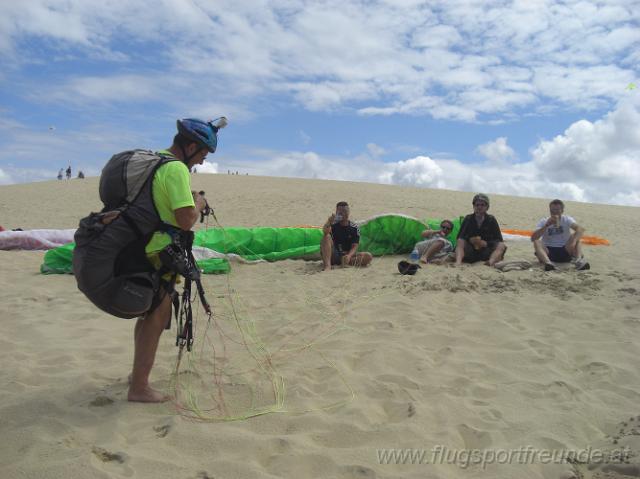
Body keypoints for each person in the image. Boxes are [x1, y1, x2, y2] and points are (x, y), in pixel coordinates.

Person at [129, 118, 222, 402]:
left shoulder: (156, 162)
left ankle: (137, 377)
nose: (201, 163)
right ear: (191, 146)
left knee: (148, 313)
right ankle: (140, 387)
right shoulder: (176, 170)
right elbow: (185, 220)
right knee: (157, 314)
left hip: (140, 247)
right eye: (202, 155)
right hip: (159, 253)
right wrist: (200, 204)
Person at [531, 199, 590, 271]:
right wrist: (546, 225)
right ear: (550, 210)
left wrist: (573, 242)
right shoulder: (544, 221)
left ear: (562, 211)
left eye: (557, 210)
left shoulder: (566, 219)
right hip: (548, 252)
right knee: (537, 242)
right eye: (552, 210)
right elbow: (533, 238)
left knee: (576, 237)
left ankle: (578, 261)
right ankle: (549, 264)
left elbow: (580, 229)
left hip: (565, 249)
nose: (555, 212)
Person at [455, 193, 506, 267]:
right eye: (477, 205)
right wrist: (471, 240)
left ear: (487, 207)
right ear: (474, 206)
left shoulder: (491, 220)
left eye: (482, 205)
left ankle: (490, 262)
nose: (479, 207)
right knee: (460, 241)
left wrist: (486, 243)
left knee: (501, 245)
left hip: (486, 251)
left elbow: (499, 239)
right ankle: (458, 262)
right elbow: (460, 237)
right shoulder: (468, 219)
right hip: (470, 251)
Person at [321, 201, 373, 271]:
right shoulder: (333, 224)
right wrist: (329, 222)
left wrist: (349, 256)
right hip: (333, 254)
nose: (342, 213)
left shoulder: (354, 227)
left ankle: (346, 262)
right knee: (326, 237)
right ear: (336, 213)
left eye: (344, 211)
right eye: (340, 211)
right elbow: (325, 232)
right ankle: (327, 266)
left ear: (348, 212)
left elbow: (355, 246)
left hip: (346, 255)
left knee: (368, 256)